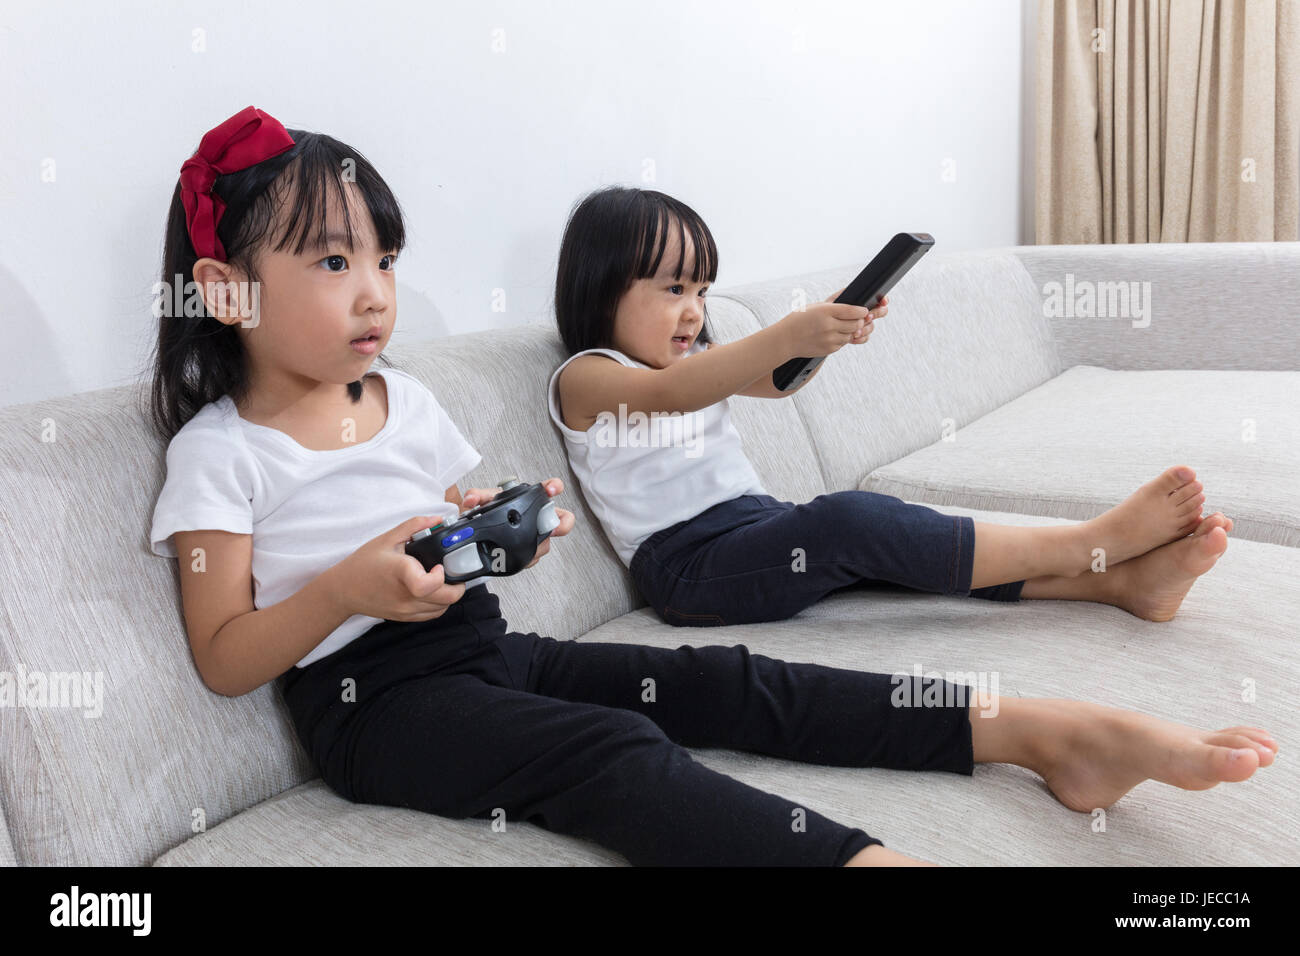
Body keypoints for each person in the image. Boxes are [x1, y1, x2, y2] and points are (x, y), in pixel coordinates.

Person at [148, 107, 1276, 867]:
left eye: (385, 261)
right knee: (613, 756)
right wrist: (348, 587)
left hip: (492, 649)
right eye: (335, 262)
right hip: (374, 708)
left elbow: (459, 518)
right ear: (227, 290)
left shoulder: (406, 399)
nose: (374, 292)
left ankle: (1043, 730)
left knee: (735, 682)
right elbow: (225, 655)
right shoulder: (220, 450)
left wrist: (507, 526)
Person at [549, 185, 1235, 628]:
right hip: (688, 568)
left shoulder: (694, 360)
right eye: (674, 290)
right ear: (601, 288)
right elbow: (671, 397)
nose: (694, 311)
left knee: (894, 543)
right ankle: (1090, 544)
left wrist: (823, 342)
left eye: (702, 291)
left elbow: (777, 382)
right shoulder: (589, 378)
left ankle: (1113, 586)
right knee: (851, 520)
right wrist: (787, 331)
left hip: (752, 525)